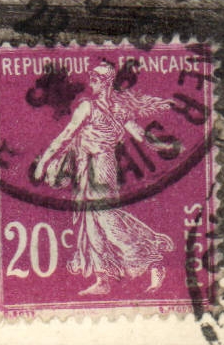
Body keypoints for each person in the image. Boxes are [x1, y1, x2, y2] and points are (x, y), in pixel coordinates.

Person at [32, 61, 177, 296]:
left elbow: (139, 134)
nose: (91, 82)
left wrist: (162, 146)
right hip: (85, 167)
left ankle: (152, 259)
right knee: (92, 224)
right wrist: (44, 161)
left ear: (106, 82)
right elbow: (67, 136)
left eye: (95, 79)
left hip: (101, 167)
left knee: (107, 220)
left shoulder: (103, 108)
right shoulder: (91, 107)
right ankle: (104, 279)